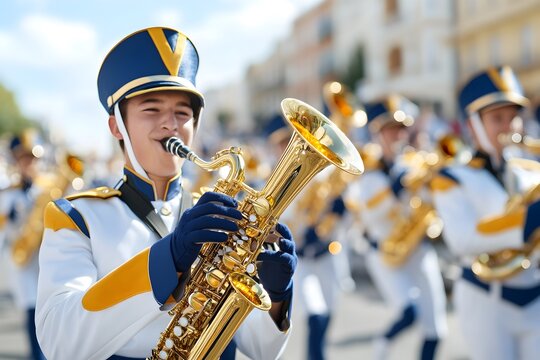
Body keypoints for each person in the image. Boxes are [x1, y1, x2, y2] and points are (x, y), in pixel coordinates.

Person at [35, 26, 297, 360]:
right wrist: (166, 259)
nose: (170, 124)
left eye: (182, 113)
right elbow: (60, 342)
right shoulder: (77, 218)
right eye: (151, 109)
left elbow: (262, 350)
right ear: (117, 126)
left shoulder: (218, 215)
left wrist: (276, 295)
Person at [430, 66, 540, 360]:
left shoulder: (531, 173)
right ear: (473, 124)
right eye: (497, 118)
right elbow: (463, 239)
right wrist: (530, 219)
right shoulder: (451, 178)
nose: (509, 126)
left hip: (534, 297)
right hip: (486, 302)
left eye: (514, 116)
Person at [347, 95, 447, 360]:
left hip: (418, 248)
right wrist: (394, 188)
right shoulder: (368, 170)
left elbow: (431, 200)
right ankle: (383, 344)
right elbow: (369, 213)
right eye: (391, 128)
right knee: (409, 312)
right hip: (385, 252)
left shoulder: (414, 162)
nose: (397, 134)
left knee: (436, 327)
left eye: (401, 128)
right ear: (377, 133)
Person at [0, 130, 46, 360]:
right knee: (32, 313)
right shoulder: (8, 195)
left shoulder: (48, 188)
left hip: (47, 259)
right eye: (24, 159)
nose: (29, 164)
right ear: (17, 161)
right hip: (24, 261)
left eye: (32, 158)